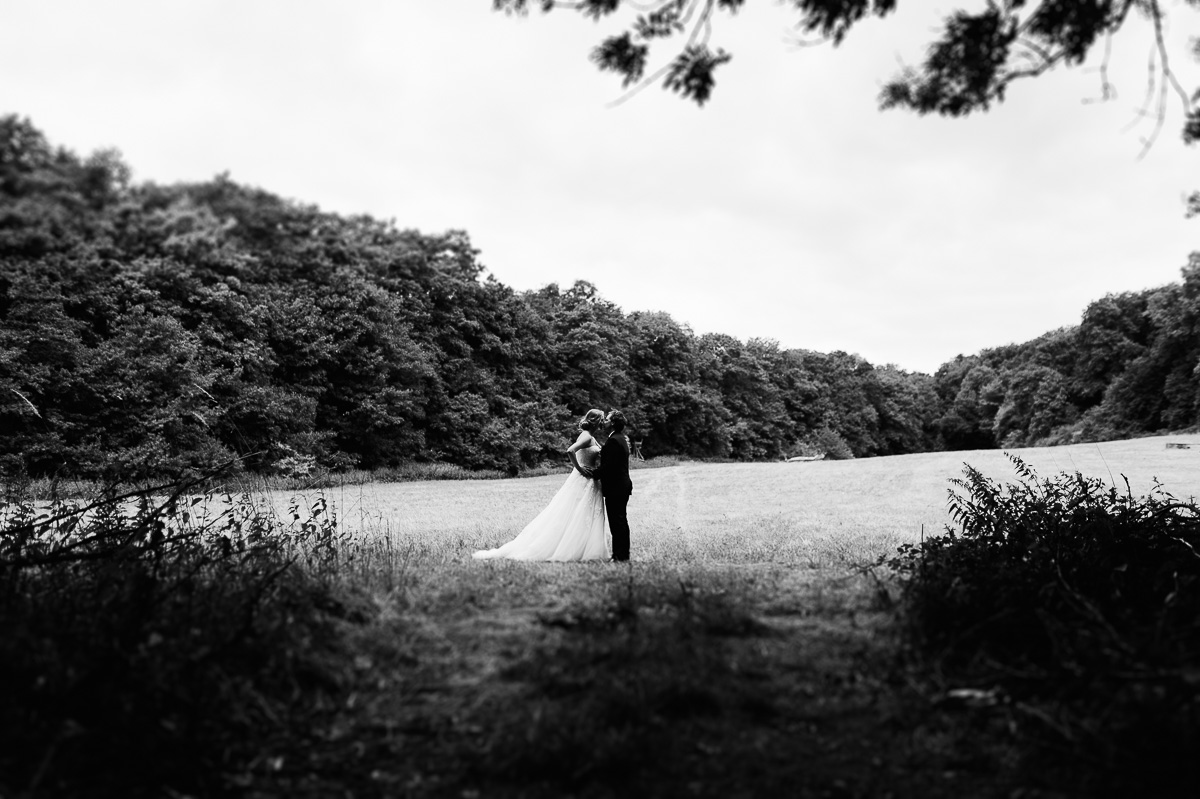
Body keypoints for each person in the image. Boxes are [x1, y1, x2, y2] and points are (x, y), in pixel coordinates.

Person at [472, 409, 610, 561]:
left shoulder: (591, 437)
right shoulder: (586, 437)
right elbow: (570, 450)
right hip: (583, 479)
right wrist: (580, 468)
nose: (603, 422)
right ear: (596, 421)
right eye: (602, 419)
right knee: (574, 513)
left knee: (584, 515)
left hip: (591, 481)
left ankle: (587, 549)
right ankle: (569, 549)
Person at [597, 409, 633, 562]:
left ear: (612, 423)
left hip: (616, 487)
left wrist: (590, 473)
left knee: (617, 522)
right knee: (620, 521)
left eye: (607, 419)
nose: (604, 421)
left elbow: (607, 467)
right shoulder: (620, 438)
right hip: (621, 486)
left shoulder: (614, 441)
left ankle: (620, 555)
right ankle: (622, 554)